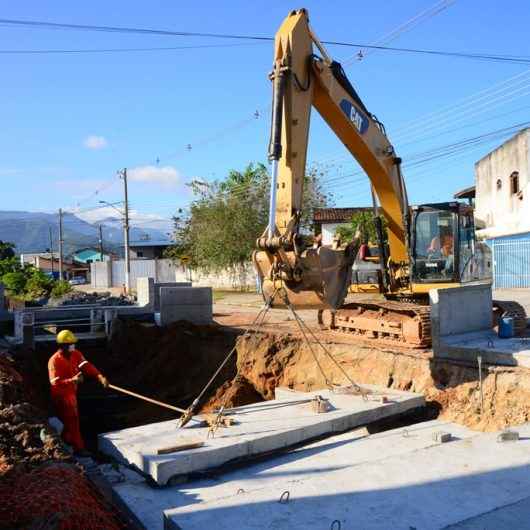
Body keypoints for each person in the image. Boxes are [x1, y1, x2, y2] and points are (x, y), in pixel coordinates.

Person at [48, 329, 109, 456]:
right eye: (70, 344)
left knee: (69, 421)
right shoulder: (54, 361)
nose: (73, 346)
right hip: (62, 395)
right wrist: (73, 380)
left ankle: (68, 441)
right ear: (62, 346)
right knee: (72, 420)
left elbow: (87, 366)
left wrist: (99, 376)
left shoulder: (75, 354)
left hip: (71, 393)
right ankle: (79, 448)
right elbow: (54, 382)